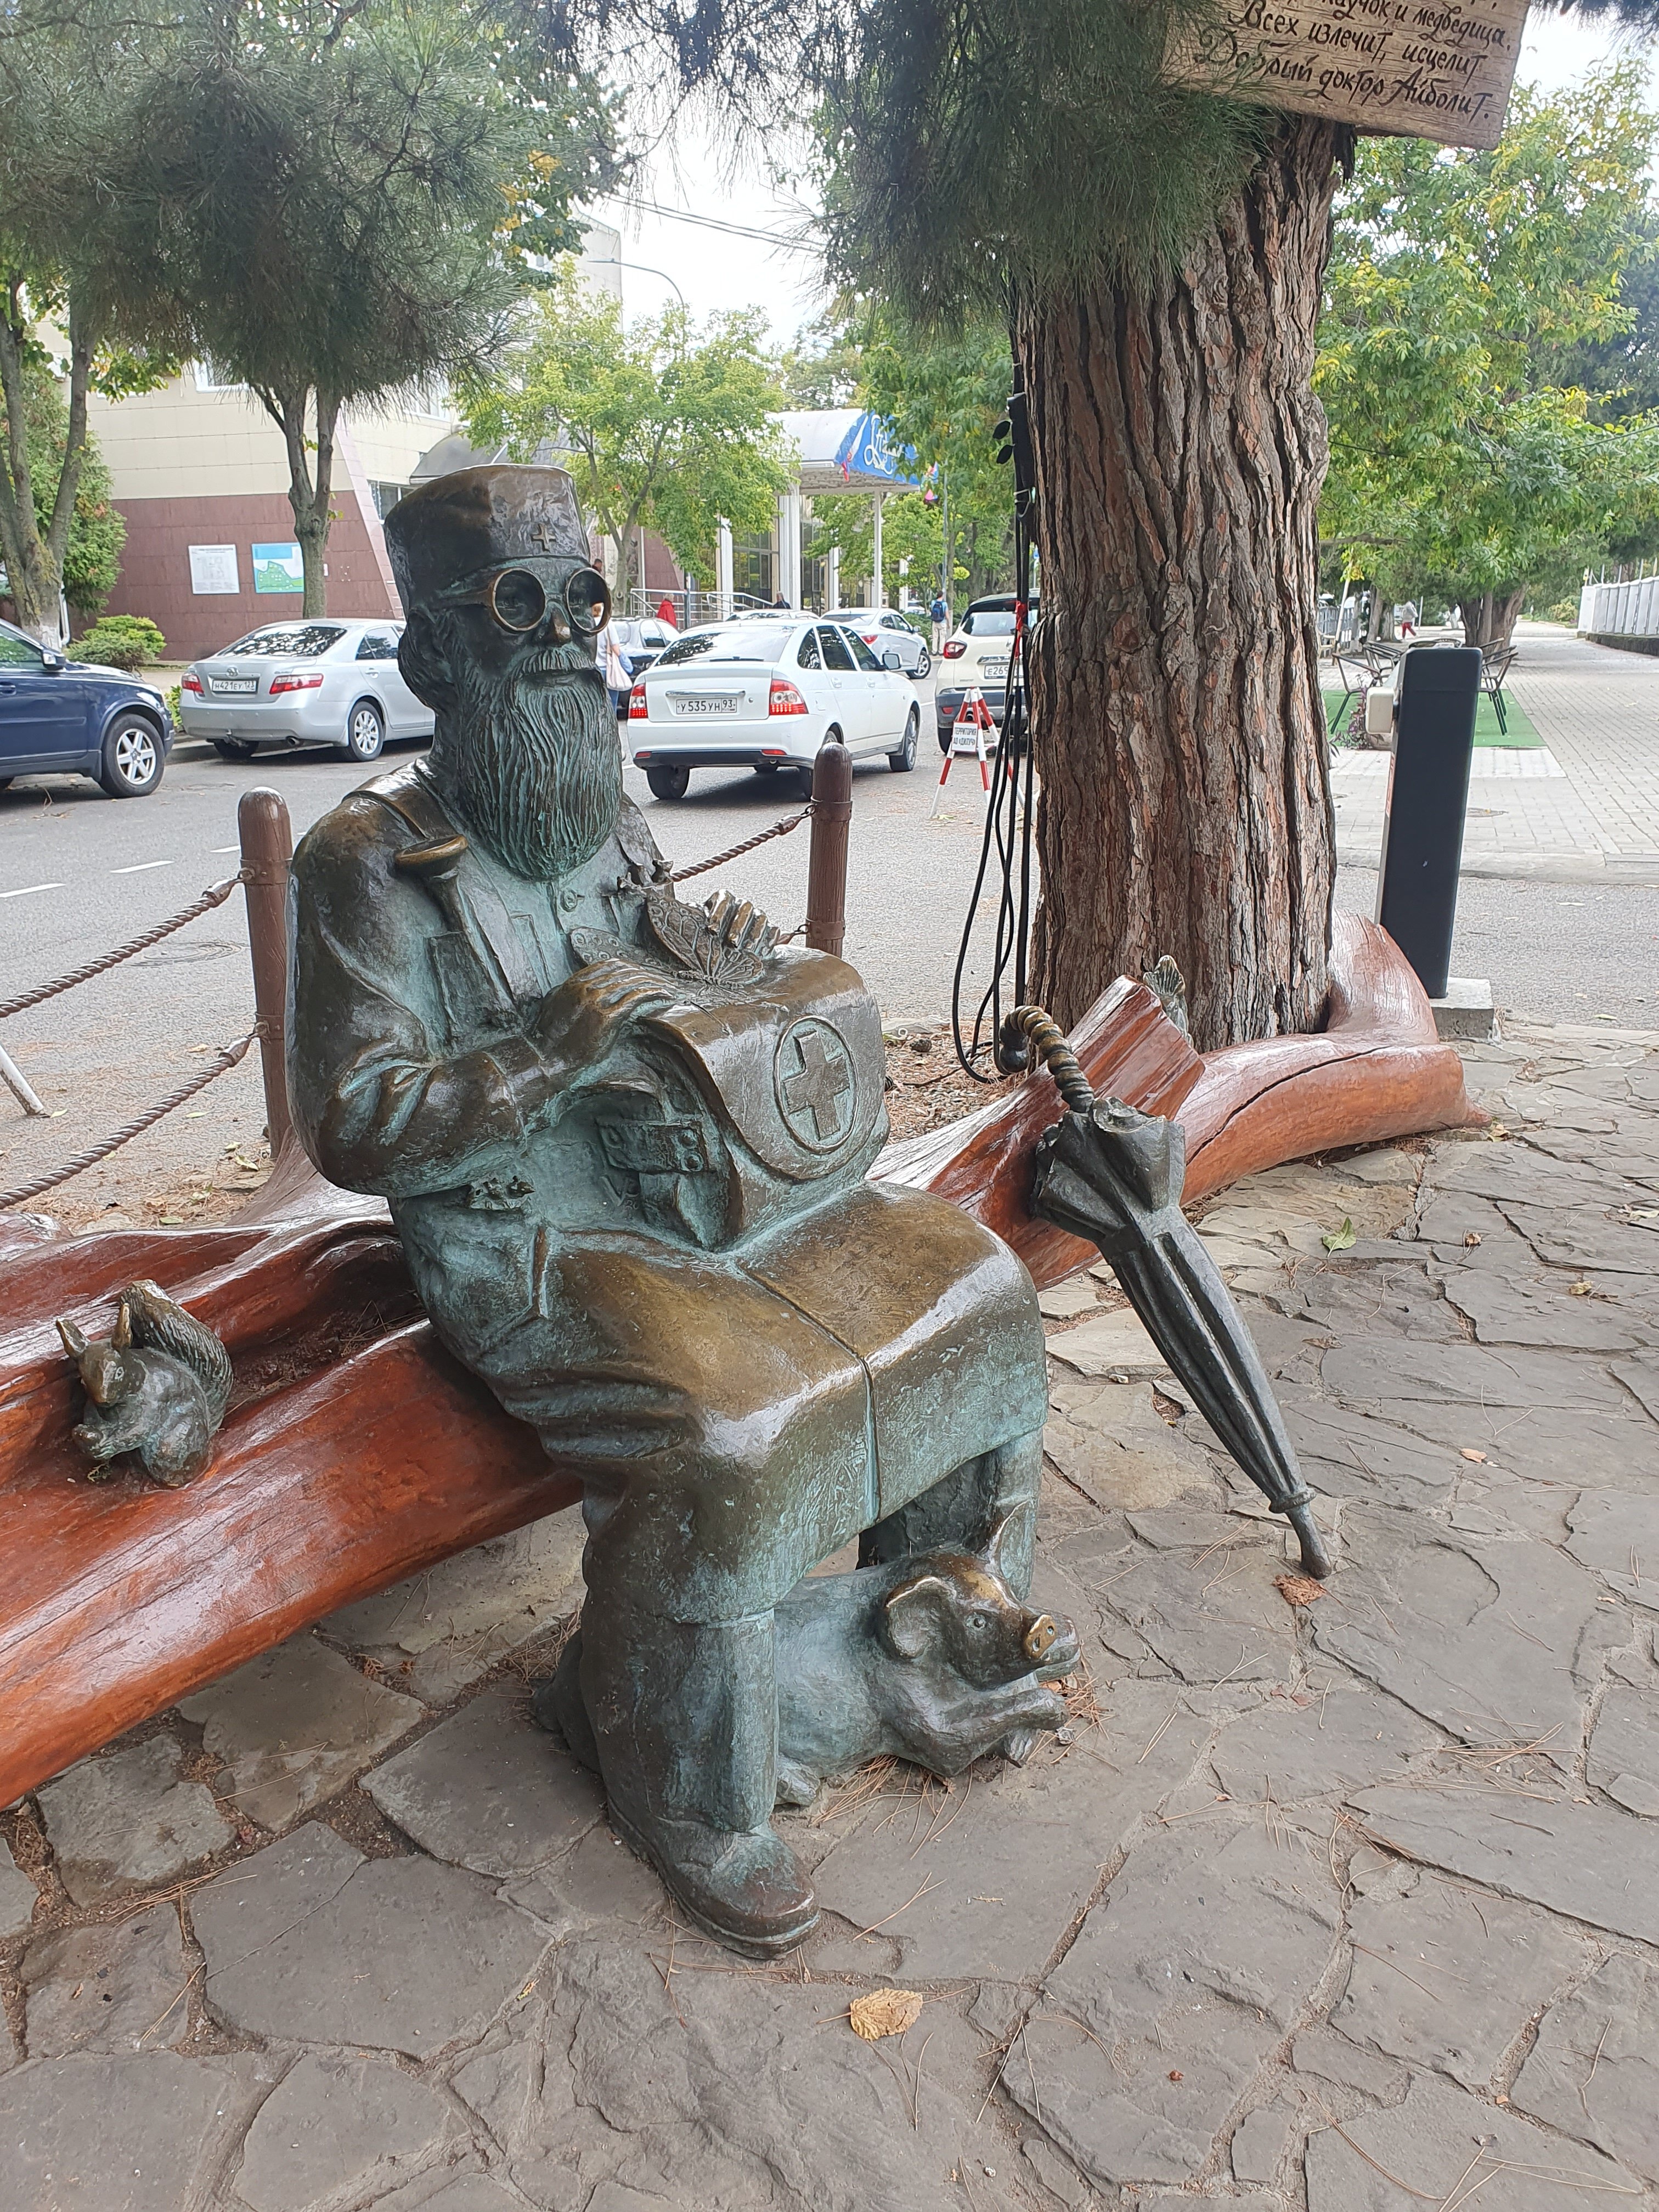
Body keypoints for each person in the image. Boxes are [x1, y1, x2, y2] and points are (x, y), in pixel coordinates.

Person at [285, 466, 1048, 1957]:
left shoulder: (603, 807)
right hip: (533, 1242)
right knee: (725, 1433)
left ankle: (944, 1640)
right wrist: (546, 1050)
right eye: (517, 607)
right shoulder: (362, 863)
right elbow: (357, 1126)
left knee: (975, 1288)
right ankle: (685, 1780)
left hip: (716, 1189)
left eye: (581, 602)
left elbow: (663, 951)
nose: (563, 640)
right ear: (435, 652)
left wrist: (715, 943)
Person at [929, 590, 948, 656]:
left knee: (935, 637)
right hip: (942, 622)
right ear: (942, 596)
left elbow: (931, 611)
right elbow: (947, 615)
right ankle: (941, 651)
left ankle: (934, 651)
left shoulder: (933, 602)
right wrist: (948, 624)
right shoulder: (944, 604)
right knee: (942, 637)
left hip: (935, 622)